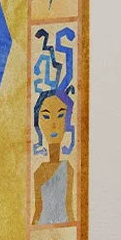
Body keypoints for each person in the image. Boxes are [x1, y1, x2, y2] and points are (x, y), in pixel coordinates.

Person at [32, 90, 75, 225]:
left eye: (61, 115)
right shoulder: (39, 171)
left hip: (63, 228)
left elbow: (68, 208)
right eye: (46, 117)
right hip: (42, 229)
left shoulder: (67, 168)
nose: (54, 125)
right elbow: (38, 211)